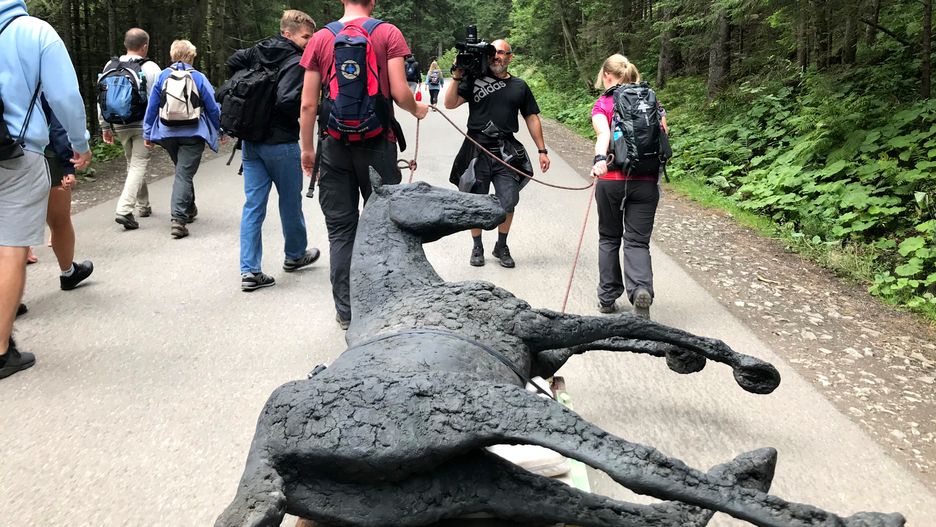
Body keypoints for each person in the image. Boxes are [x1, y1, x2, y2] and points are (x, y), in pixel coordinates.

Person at [298, 0, 429, 329]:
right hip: (378, 144)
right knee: (386, 228)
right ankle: (384, 306)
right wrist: (418, 110)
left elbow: (308, 104)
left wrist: (307, 149)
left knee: (342, 231)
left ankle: (346, 312)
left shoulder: (320, 38)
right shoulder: (388, 33)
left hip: (333, 146)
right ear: (373, 2)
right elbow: (399, 91)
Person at [0, 0, 91, 380]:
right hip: (15, 154)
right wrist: (79, 144)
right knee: (11, 245)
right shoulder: (34, 32)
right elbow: (64, 96)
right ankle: (1, 352)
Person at [226, 10, 320, 292]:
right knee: (290, 202)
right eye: (306, 36)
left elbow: (233, 62)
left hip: (251, 141)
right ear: (288, 33)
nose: (310, 42)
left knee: (253, 205)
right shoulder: (297, 61)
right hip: (281, 142)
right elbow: (287, 101)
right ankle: (295, 255)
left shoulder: (258, 51)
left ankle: (250, 271)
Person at [445, 38, 550, 269]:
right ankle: (477, 246)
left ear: (510, 57)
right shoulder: (474, 80)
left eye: (502, 53)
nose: (496, 56)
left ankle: (501, 245)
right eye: (493, 52)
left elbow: (531, 117)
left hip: (506, 150)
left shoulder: (520, 86)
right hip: (477, 147)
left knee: (509, 200)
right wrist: (457, 76)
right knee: (475, 200)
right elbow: (450, 104)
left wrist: (542, 150)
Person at [590, 54, 668, 319]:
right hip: (646, 181)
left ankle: (607, 297)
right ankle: (641, 289)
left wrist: (600, 160)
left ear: (607, 75)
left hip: (611, 180)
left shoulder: (603, 103)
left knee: (609, 237)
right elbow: (662, 135)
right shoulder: (652, 100)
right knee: (637, 241)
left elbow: (603, 135)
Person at [142, 39, 223, 239]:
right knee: (184, 174)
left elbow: (152, 107)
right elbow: (213, 107)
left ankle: (189, 208)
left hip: (168, 133)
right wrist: (220, 129)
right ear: (191, 57)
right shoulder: (198, 77)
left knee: (182, 171)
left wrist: (147, 133)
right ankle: (178, 220)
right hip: (193, 134)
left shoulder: (163, 76)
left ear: (173, 55)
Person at [102, 28, 162, 231]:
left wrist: (105, 126)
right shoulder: (151, 67)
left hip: (119, 123)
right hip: (142, 123)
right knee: (137, 164)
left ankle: (143, 206)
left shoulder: (110, 65)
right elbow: (158, 100)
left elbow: (101, 98)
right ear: (145, 46)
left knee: (133, 164)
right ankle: (124, 210)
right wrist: (155, 128)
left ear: (125, 44)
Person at [43, 98, 94, 291]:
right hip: (42, 153)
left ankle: (10, 293)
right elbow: (61, 112)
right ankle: (68, 273)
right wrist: (68, 164)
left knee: (11, 224)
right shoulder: (38, 77)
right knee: (59, 220)